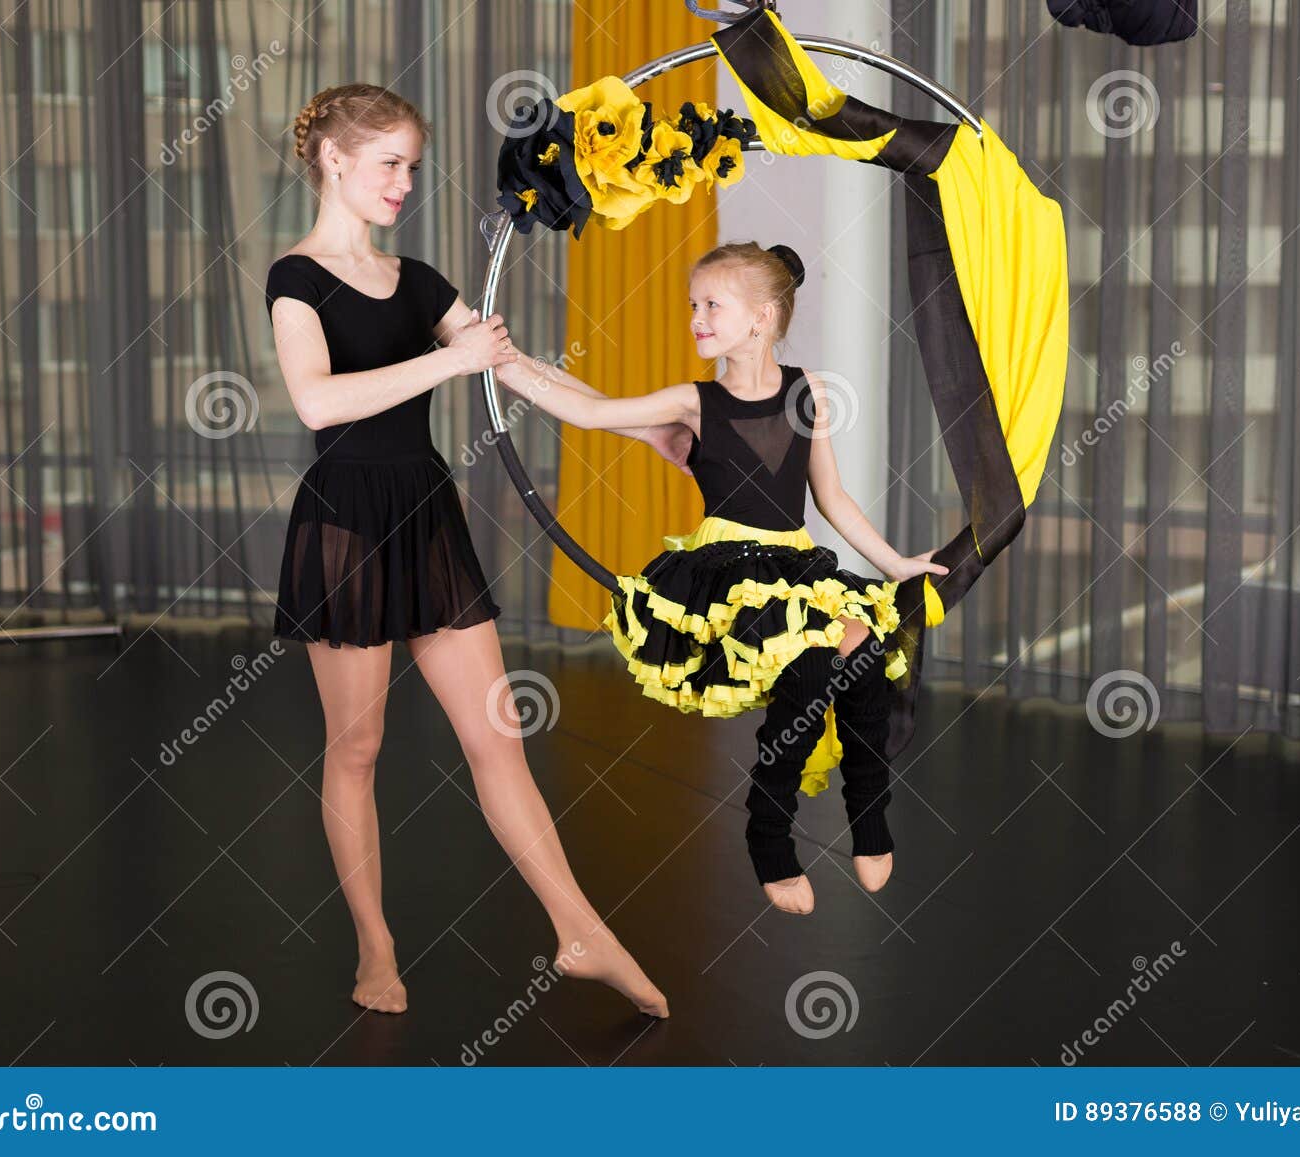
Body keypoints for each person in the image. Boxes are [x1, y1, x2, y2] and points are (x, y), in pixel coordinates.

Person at [264, 83, 687, 1015]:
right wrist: (448, 361)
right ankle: (376, 949)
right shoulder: (296, 277)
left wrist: (637, 422)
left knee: (500, 740)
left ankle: (580, 929)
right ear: (334, 160)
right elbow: (318, 402)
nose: (406, 183)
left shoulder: (417, 281)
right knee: (358, 745)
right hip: (345, 523)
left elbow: (518, 370)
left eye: (413, 166)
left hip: (424, 514)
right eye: (390, 164)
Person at [493, 240, 946, 915]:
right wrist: (504, 362)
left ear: (762, 318)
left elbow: (833, 497)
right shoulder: (692, 400)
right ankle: (770, 836)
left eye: (712, 305)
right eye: (692, 306)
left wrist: (897, 563)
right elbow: (592, 411)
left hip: (796, 564)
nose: (696, 318)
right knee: (810, 666)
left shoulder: (808, 390)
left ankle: (870, 819)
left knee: (865, 652)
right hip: (728, 571)